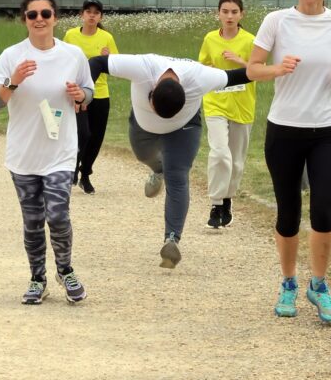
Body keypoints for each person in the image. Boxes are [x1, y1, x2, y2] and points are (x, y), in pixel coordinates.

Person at [247, 0, 331, 324]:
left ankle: (319, 285)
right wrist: (277, 69)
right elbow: (252, 69)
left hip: (326, 129)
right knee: (288, 212)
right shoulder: (276, 21)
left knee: (323, 209)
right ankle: (288, 283)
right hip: (284, 129)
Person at [88, 53, 251, 269]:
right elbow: (98, 62)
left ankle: (172, 239)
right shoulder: (143, 67)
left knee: (177, 176)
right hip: (143, 126)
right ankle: (158, 170)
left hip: (183, 128)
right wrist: (85, 93)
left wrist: (276, 70)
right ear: (153, 88)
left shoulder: (199, 77)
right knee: (142, 155)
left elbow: (239, 76)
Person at [0, 0, 94, 304]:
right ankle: (37, 279)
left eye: (45, 13)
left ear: (55, 18)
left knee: (58, 215)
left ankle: (65, 270)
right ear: (25, 19)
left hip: (60, 152)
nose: (39, 19)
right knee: (32, 221)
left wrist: (81, 95)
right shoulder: (12, 56)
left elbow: (88, 92)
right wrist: (13, 81)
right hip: (24, 155)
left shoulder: (73, 55)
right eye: (32, 14)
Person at [198, 0, 257, 228]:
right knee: (219, 153)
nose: (229, 16)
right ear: (218, 14)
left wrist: (240, 61)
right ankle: (215, 204)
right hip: (215, 102)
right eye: (225, 11)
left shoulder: (250, 40)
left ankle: (227, 199)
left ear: (242, 14)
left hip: (242, 104)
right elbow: (202, 66)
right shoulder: (210, 38)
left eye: (234, 12)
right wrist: (208, 69)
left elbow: (260, 70)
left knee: (236, 160)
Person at [62, 0, 119, 195]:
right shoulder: (70, 35)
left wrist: (108, 57)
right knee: (82, 133)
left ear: (100, 17)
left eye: (96, 12)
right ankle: (72, 167)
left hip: (100, 94)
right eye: (88, 11)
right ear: (82, 15)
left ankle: (85, 174)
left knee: (96, 137)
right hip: (76, 93)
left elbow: (116, 66)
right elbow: (63, 63)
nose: (92, 15)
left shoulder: (107, 37)